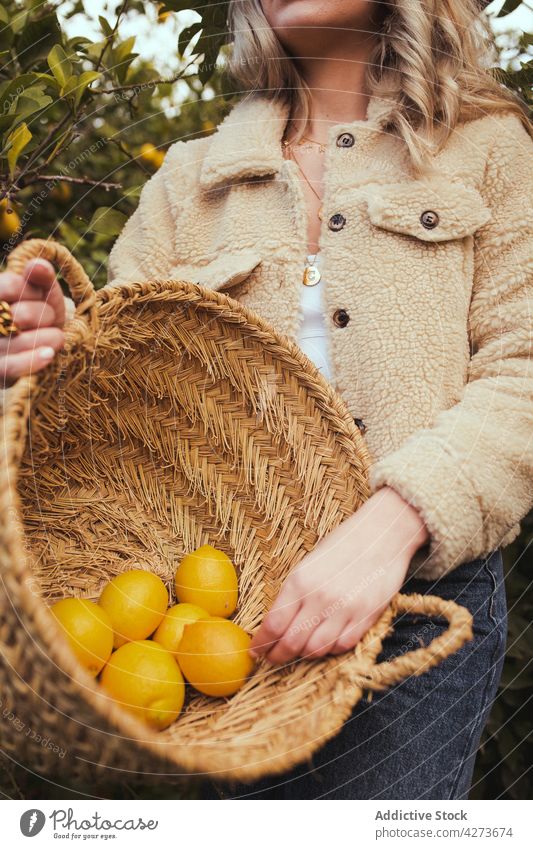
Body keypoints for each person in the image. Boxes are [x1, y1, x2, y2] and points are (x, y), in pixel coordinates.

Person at [0, 0, 531, 799]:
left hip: (421, 590)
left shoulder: (487, 149)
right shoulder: (191, 177)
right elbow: (133, 394)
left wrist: (390, 528)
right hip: (219, 621)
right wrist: (56, 346)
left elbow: (522, 367)